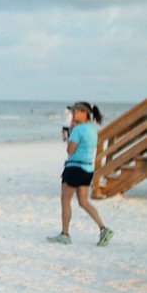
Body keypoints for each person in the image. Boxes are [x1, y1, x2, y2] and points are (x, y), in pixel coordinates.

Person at [47, 102, 113, 247]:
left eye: (77, 111)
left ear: (85, 113)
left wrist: (72, 131)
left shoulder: (78, 130)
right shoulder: (91, 128)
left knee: (65, 200)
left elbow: (70, 150)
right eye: (73, 111)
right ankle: (103, 228)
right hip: (88, 169)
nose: (74, 113)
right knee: (83, 201)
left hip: (75, 168)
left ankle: (65, 234)